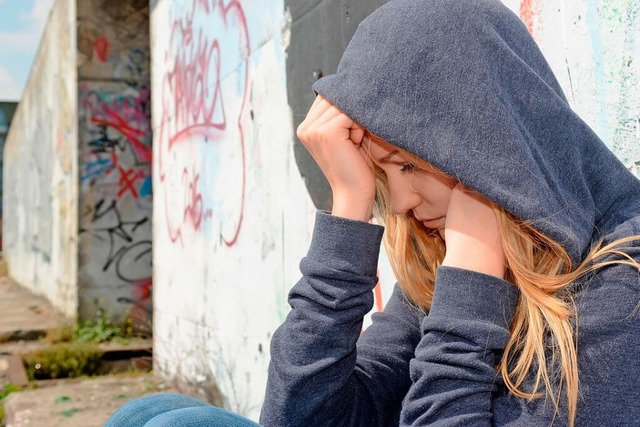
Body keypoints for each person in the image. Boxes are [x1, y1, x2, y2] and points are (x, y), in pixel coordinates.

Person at [106, 0, 640, 425]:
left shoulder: (622, 287)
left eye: (407, 165)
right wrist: (348, 207)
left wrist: (471, 290)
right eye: (384, 178)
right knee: (146, 411)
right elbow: (298, 418)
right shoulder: (439, 260)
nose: (402, 204)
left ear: (487, 139)